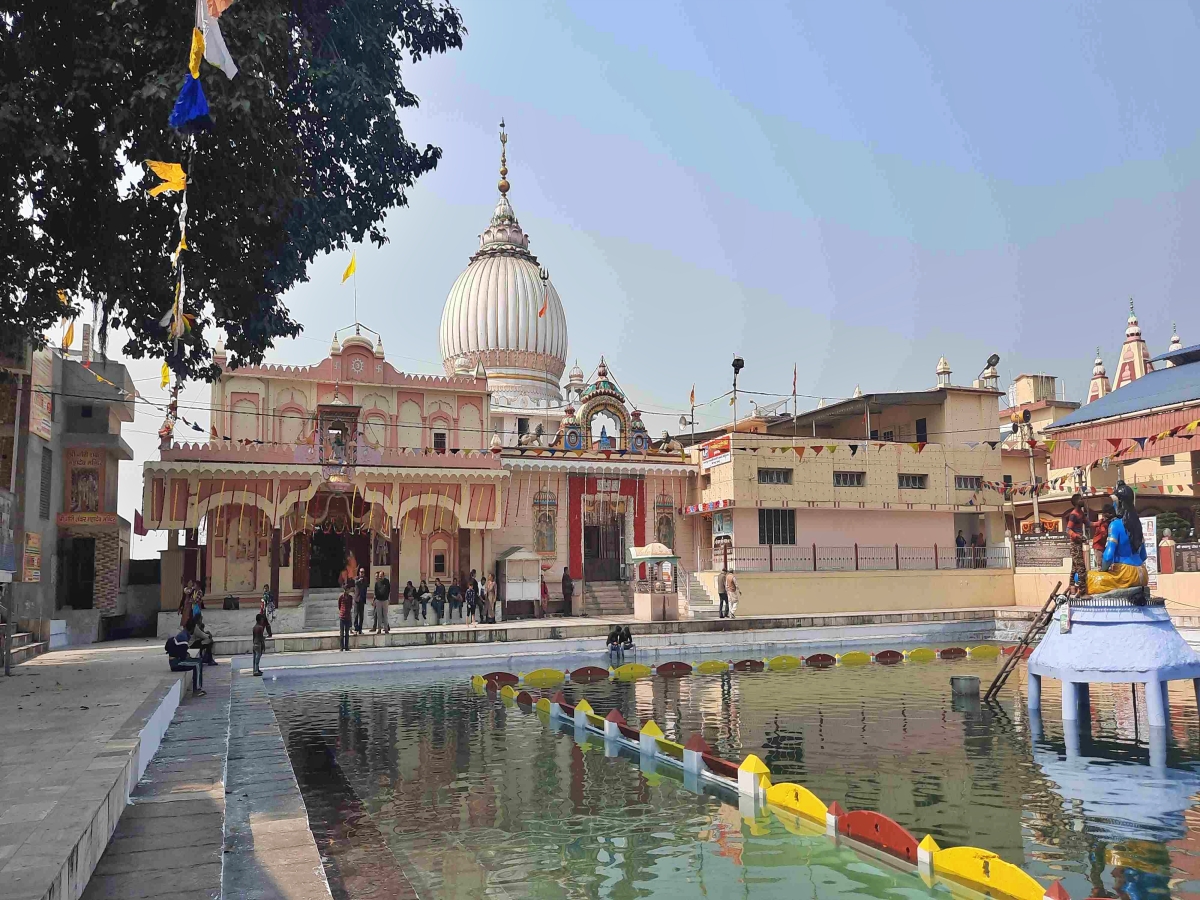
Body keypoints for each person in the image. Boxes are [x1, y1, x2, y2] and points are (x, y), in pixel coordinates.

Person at [1086, 481, 1149, 597]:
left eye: (1114, 502)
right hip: (1143, 574)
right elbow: (1143, 555)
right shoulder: (1137, 524)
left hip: (1124, 574)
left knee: (1087, 578)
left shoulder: (1115, 525)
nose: (1113, 506)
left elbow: (1108, 556)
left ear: (1119, 503)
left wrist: (1104, 570)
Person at [165, 627, 205, 695]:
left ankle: (198, 687)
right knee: (197, 664)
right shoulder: (183, 640)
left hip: (176, 660)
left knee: (198, 661)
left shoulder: (182, 635)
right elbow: (183, 657)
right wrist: (186, 655)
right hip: (176, 663)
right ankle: (197, 689)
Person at [1066, 493, 1090, 588]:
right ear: (1076, 502)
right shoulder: (1074, 515)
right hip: (1075, 544)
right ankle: (1082, 591)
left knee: (1075, 568)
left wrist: (1100, 522)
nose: (1083, 500)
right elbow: (1068, 529)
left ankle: (1071, 588)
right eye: (1081, 499)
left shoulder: (1081, 514)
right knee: (1081, 568)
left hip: (1078, 543)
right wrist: (1077, 536)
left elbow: (1089, 523)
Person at [1091, 503, 1114, 569]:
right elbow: (1103, 533)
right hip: (1098, 545)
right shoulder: (1102, 523)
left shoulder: (1106, 522)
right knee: (1101, 564)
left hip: (1103, 545)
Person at [251, 612, 272, 676]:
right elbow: (260, 637)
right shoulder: (260, 627)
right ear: (260, 620)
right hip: (258, 644)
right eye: (262, 619)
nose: (263, 621)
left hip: (254, 643)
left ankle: (255, 670)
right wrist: (263, 645)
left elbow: (254, 637)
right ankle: (256, 671)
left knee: (255, 658)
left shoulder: (254, 627)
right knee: (258, 658)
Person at [337, 580, 354, 651]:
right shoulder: (341, 597)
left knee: (347, 633)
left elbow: (350, 606)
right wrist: (342, 611)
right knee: (342, 633)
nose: (348, 591)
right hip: (342, 616)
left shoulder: (350, 597)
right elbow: (339, 605)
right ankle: (341, 647)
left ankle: (346, 647)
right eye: (347, 589)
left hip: (348, 616)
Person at [353, 567, 369, 634]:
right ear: (359, 572)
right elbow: (355, 583)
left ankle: (360, 629)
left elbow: (366, 586)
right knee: (356, 615)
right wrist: (359, 580)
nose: (362, 573)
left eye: (363, 572)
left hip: (362, 599)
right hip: (357, 599)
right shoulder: (357, 578)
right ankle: (356, 628)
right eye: (361, 572)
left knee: (361, 616)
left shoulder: (365, 579)